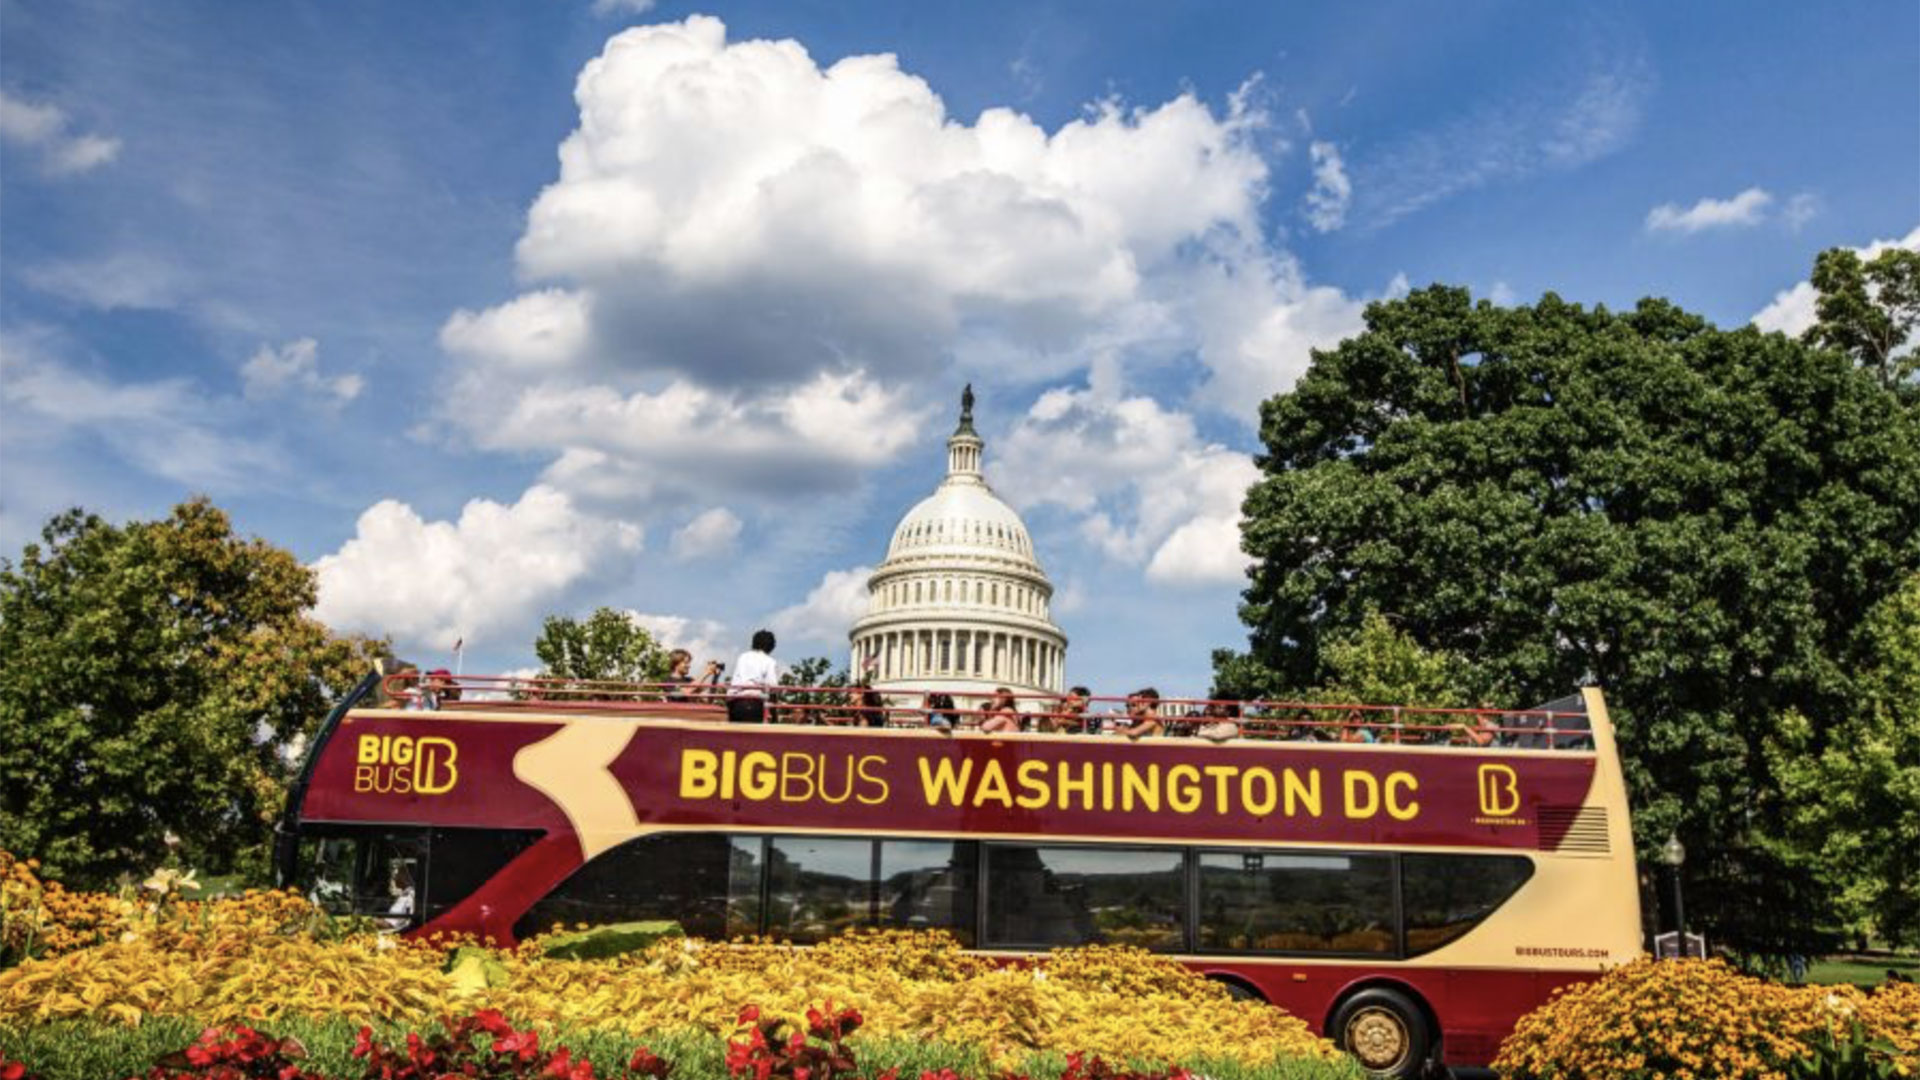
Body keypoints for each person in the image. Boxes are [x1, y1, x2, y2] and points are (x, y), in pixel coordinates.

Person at [727, 630, 779, 724]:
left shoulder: (743, 657)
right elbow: (772, 687)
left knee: (737, 736)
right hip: (755, 704)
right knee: (754, 737)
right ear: (771, 646)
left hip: (735, 703)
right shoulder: (769, 661)